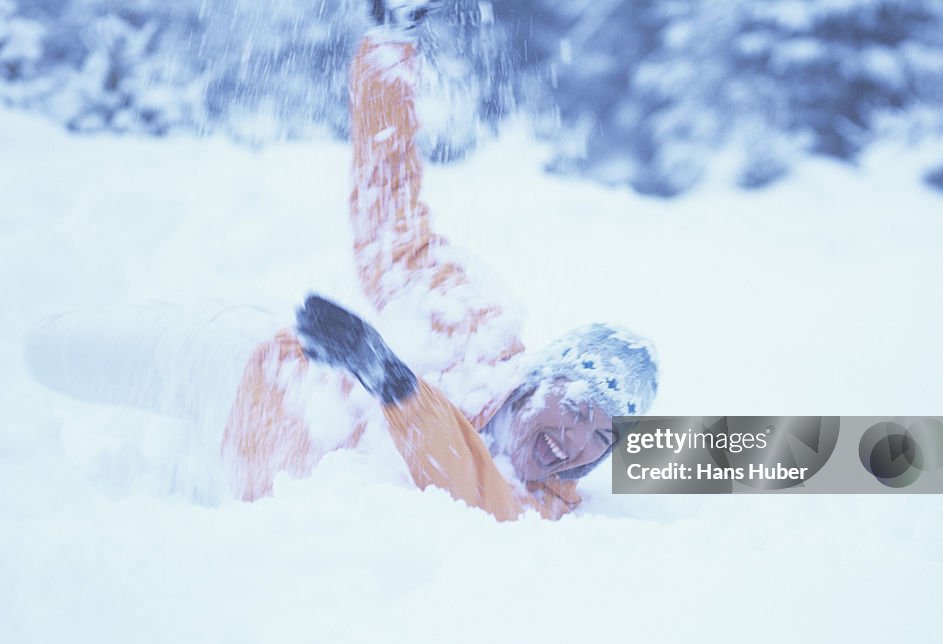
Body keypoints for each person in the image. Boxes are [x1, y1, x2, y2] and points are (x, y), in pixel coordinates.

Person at [26, 1, 658, 521]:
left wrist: (386, 375)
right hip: (246, 369)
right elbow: (393, 226)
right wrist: (388, 52)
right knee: (45, 353)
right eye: (576, 411)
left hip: (254, 480)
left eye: (604, 439)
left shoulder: (533, 503)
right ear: (541, 374)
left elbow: (463, 481)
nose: (576, 444)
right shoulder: (477, 325)